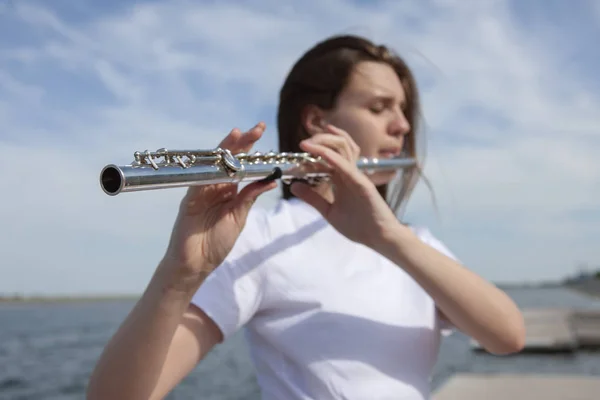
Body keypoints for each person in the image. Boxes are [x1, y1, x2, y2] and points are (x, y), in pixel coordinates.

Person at [87, 34, 525, 400]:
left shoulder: (413, 243)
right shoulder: (263, 235)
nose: (403, 127)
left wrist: (389, 237)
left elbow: (507, 336)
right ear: (317, 121)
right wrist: (180, 275)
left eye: (403, 110)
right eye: (379, 107)